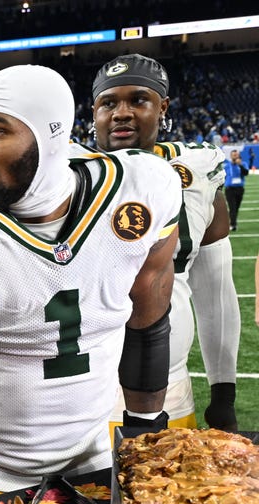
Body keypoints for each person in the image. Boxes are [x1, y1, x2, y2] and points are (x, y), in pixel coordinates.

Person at [0, 65, 181, 504]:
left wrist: (145, 431)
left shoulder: (143, 188)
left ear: (50, 139)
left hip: (93, 454)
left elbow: (148, 319)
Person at [90, 53, 240, 432]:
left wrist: (223, 393)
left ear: (163, 108)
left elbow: (216, 291)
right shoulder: (64, 174)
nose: (121, 113)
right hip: (77, 399)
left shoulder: (197, 170)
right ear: (94, 113)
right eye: (109, 103)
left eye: (138, 100)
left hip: (169, 394)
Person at [224, 149, 245, 230]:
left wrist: (240, 165)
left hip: (240, 189)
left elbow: (246, 173)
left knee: (236, 208)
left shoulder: (243, 164)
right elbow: (223, 177)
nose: (235, 156)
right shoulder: (227, 166)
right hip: (229, 189)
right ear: (230, 156)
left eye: (236, 155)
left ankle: (233, 222)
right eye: (233, 155)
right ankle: (233, 225)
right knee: (232, 207)